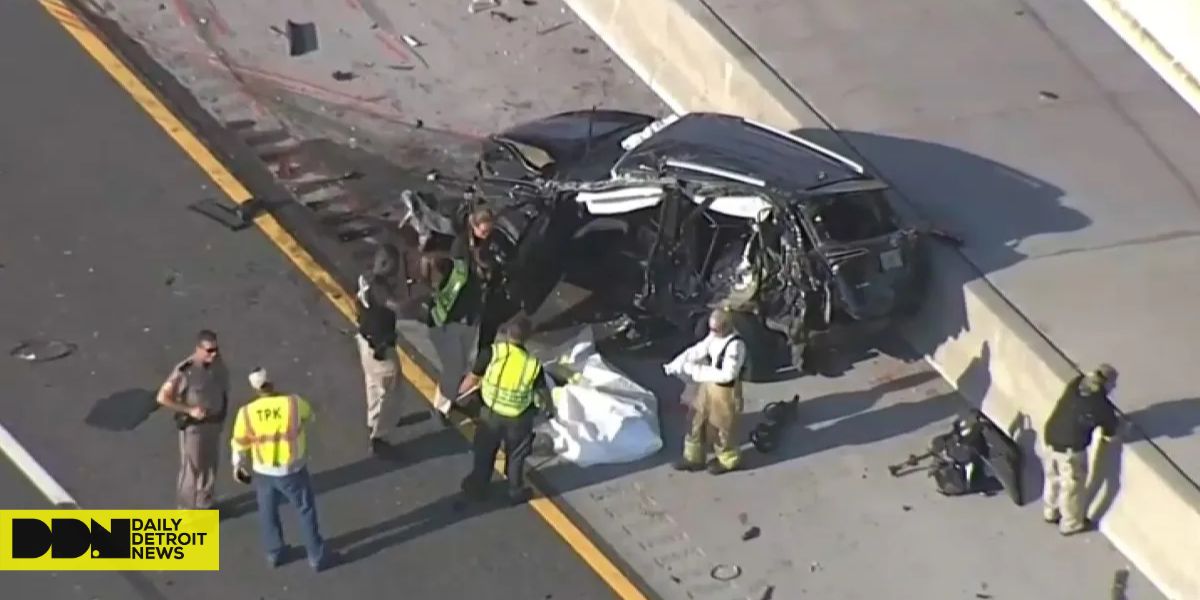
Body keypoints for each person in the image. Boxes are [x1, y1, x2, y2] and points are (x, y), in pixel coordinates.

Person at [230, 368, 332, 571]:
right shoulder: (292, 403)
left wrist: (238, 466)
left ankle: (275, 553)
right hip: (291, 470)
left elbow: (239, 443)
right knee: (305, 509)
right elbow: (310, 415)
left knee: (267, 511)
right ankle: (316, 556)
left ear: (254, 388)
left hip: (263, 471)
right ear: (272, 383)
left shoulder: (246, 413)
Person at [457, 315, 552, 504]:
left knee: (484, 452)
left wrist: (459, 395)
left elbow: (472, 379)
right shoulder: (533, 365)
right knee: (516, 456)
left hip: (490, 415)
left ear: (507, 333)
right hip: (518, 418)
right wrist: (548, 409)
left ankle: (478, 487)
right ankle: (515, 490)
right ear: (528, 338)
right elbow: (542, 396)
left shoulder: (492, 353)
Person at [664, 308, 747, 475]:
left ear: (726, 327)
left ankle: (728, 459)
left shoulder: (735, 345)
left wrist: (696, 371)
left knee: (721, 428)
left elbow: (727, 374)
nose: (713, 333)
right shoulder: (715, 336)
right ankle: (693, 457)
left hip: (725, 390)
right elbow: (700, 349)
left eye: (716, 330)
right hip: (708, 385)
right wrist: (678, 362)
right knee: (695, 419)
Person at [1041, 363, 1121, 536]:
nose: (1113, 388)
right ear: (1105, 384)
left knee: (1053, 477)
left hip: (1051, 436)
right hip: (1071, 448)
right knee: (1072, 486)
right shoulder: (1099, 404)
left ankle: (1050, 510)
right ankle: (1071, 523)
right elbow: (1110, 430)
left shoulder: (1075, 384)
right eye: (1113, 385)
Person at [157, 329, 230, 509]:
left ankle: (205, 504)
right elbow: (162, 397)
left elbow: (222, 389)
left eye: (215, 350)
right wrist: (189, 410)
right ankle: (186, 509)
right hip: (194, 429)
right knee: (192, 470)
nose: (213, 354)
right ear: (198, 349)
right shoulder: (185, 371)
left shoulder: (218, 364)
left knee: (210, 466)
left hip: (214, 423)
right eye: (209, 351)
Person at [355, 267, 403, 455]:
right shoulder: (385, 315)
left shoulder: (363, 297)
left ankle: (372, 419)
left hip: (363, 345)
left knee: (372, 384)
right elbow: (383, 343)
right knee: (392, 396)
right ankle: (380, 437)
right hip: (380, 356)